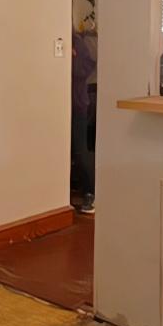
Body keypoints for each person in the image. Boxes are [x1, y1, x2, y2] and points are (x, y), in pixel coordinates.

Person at [71, 20, 97, 213]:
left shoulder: (79, 43)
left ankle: (91, 192)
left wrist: (69, 59)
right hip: (63, 105)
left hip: (78, 105)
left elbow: (84, 69)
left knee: (80, 150)